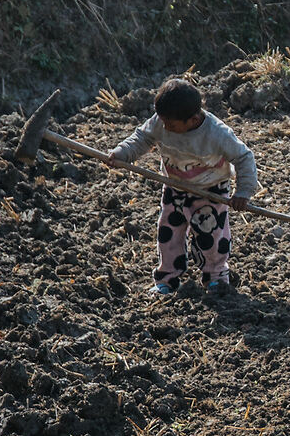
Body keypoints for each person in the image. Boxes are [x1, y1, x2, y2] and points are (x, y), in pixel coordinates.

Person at [110, 78, 257, 298]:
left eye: (172, 125)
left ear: (193, 119)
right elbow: (142, 138)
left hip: (211, 191)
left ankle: (216, 278)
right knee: (169, 235)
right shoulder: (162, 121)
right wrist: (123, 153)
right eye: (163, 122)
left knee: (212, 238)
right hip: (175, 189)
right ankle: (167, 279)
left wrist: (243, 192)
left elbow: (244, 157)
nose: (165, 128)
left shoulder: (217, 134)